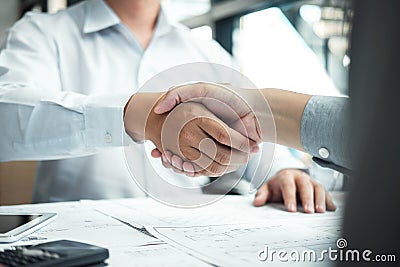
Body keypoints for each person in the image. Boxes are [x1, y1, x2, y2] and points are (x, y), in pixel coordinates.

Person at [0, 0, 335, 213]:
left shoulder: (204, 50)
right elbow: (6, 120)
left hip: (184, 235)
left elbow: (249, 123)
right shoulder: (43, 31)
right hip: (75, 239)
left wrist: (281, 170)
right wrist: (139, 116)